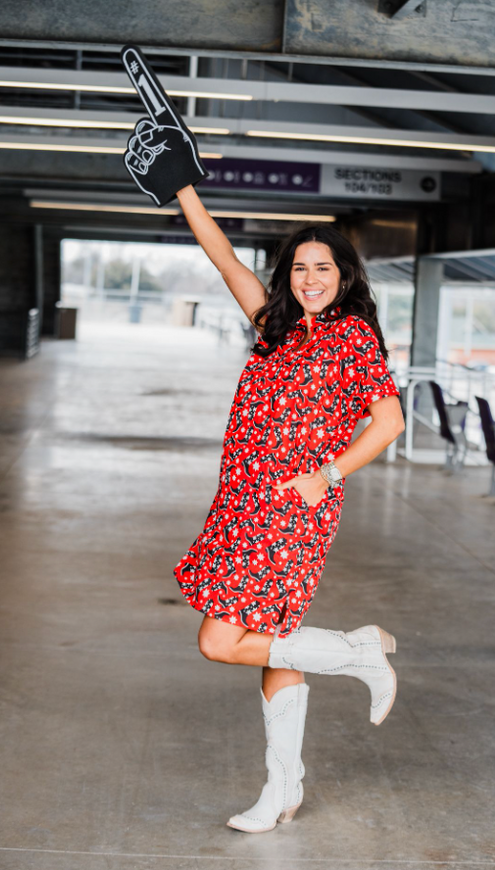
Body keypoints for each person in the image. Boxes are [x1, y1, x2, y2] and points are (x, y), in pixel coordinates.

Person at [172, 185, 405, 834]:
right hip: (240, 505)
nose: (308, 278)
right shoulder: (273, 327)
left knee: (221, 641)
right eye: (298, 267)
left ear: (343, 276)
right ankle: (283, 789)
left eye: (322, 268)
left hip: (289, 512)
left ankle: (355, 653)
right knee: (274, 648)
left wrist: (323, 475)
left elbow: (387, 422)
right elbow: (222, 258)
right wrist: (183, 189)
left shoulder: (352, 338)